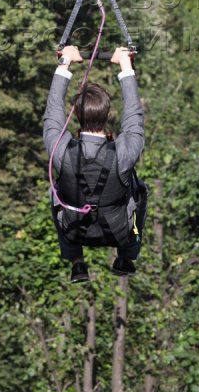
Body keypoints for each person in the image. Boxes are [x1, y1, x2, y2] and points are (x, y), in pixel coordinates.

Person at [44, 44, 146, 283]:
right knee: (139, 188)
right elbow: (134, 119)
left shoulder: (60, 150)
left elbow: (52, 116)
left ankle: (76, 261)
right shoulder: (123, 153)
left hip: (73, 230)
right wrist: (125, 65)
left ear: (77, 117)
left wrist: (64, 63)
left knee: (54, 189)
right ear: (107, 113)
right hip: (118, 231)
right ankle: (126, 256)